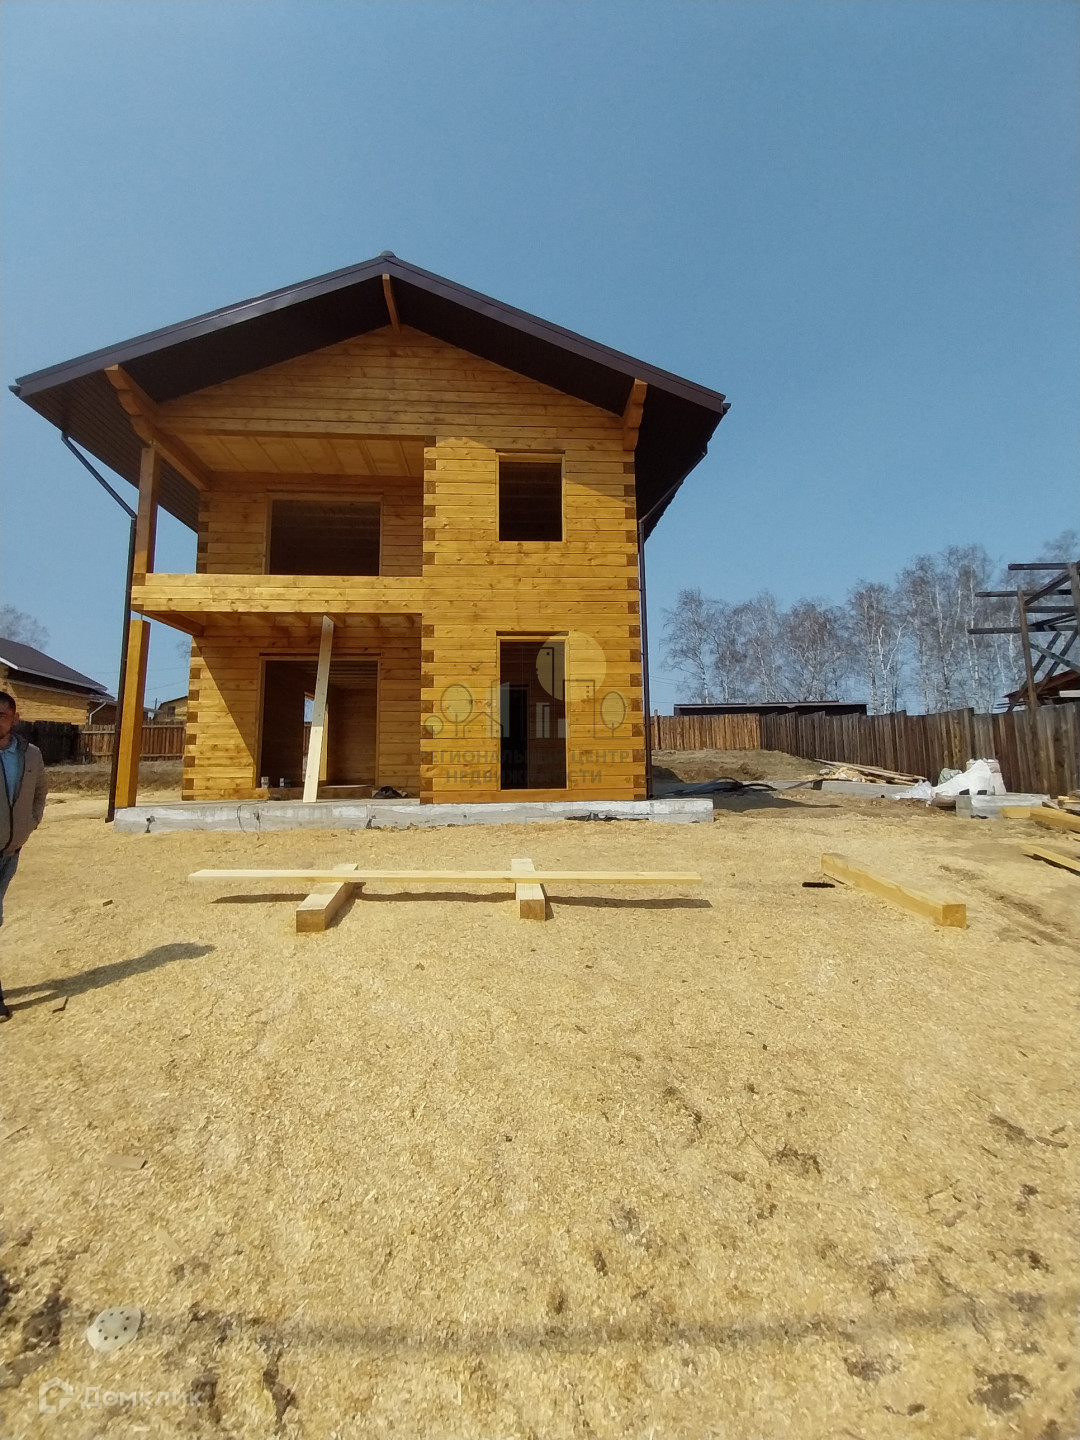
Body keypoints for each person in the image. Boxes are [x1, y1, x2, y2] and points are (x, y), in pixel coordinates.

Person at [0, 692, 48, 1020]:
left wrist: (31, 822)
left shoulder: (30, 754)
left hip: (11, 851)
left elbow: (40, 791)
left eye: (2, 715)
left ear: (15, 718)